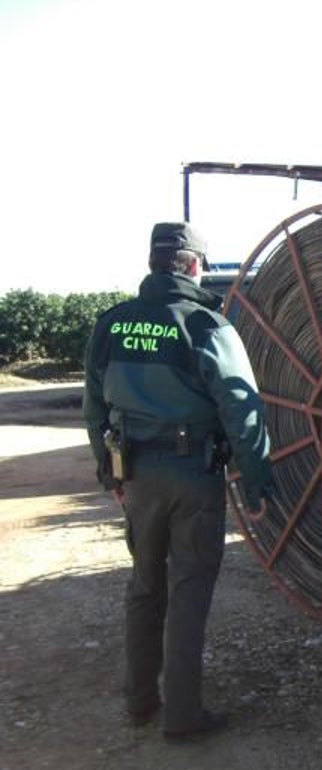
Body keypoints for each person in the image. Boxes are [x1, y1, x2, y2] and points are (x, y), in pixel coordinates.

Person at [83, 221, 273, 741]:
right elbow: (242, 409)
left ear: (152, 262)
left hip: (138, 475)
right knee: (189, 589)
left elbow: (94, 407)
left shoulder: (112, 324)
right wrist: (255, 483)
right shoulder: (207, 326)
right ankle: (183, 716)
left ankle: (140, 701)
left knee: (145, 586)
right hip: (194, 473)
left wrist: (111, 473)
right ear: (193, 265)